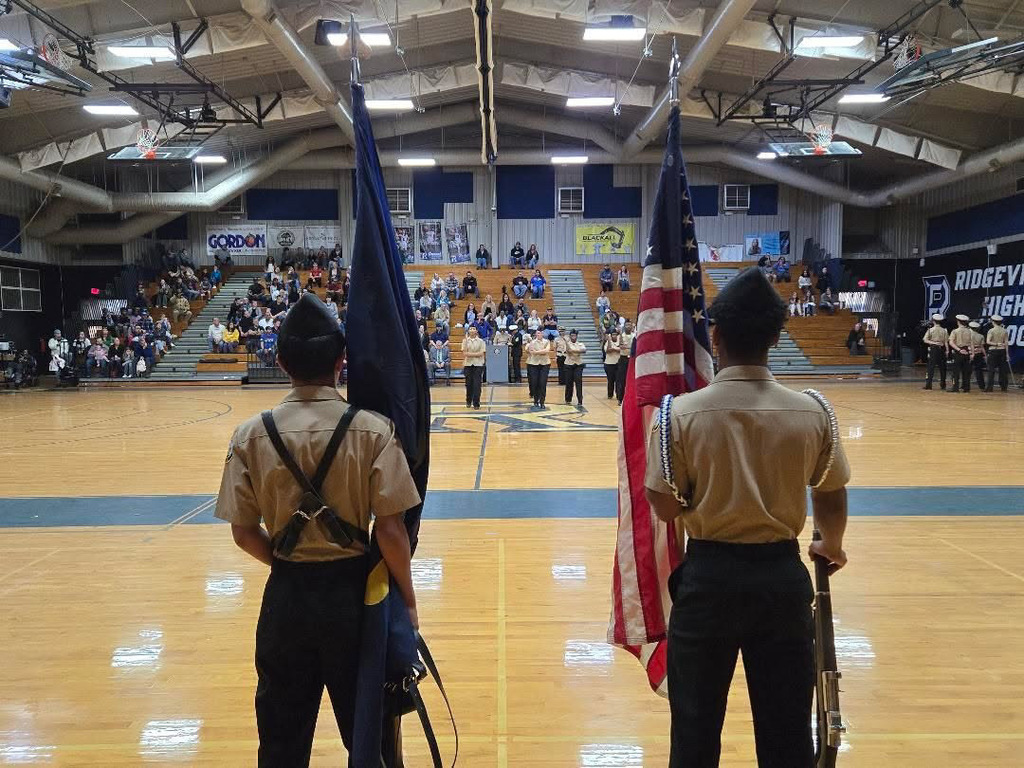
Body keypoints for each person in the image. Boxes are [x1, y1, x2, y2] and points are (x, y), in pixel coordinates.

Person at [644, 267, 850, 768]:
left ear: (715, 336)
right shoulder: (814, 411)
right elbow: (831, 490)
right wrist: (832, 545)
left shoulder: (679, 414)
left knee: (693, 733)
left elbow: (664, 504)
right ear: (776, 338)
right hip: (781, 580)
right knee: (786, 737)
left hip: (708, 580)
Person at [213, 293, 420, 765]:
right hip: (356, 602)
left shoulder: (249, 434)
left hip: (286, 601)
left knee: (282, 743)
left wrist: (286, 562)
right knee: (371, 739)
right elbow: (390, 530)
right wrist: (406, 600)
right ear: (341, 362)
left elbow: (243, 533)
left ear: (281, 361)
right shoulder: (373, 429)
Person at [462, 324, 486, 409]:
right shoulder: (465, 341)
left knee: (477, 385)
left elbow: (481, 353)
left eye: (473, 329)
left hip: (478, 364)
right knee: (468, 384)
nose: (472, 330)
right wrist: (475, 354)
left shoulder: (481, 341)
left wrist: (470, 354)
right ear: (468, 331)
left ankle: (476, 403)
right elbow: (464, 353)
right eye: (470, 329)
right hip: (468, 364)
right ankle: (468, 401)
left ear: (476, 331)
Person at [923, 313, 949, 390]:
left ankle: (928, 384)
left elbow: (925, 340)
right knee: (942, 367)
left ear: (933, 321)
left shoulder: (930, 330)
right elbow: (946, 342)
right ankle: (943, 384)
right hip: (942, 349)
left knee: (930, 367)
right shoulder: (944, 330)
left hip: (933, 349)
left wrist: (934, 342)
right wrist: (947, 351)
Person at [949, 314, 974, 393]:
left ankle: (955, 388)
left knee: (956, 371)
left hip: (958, 352)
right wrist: (972, 353)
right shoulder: (970, 331)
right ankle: (966, 388)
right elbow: (971, 343)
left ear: (958, 322)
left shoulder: (955, 331)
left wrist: (959, 350)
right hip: (967, 351)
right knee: (966, 371)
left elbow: (951, 342)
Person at [526, 330, 551, 408]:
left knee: (543, 383)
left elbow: (546, 351)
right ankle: (536, 400)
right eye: (537, 333)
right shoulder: (532, 342)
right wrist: (530, 345)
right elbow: (528, 350)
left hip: (545, 364)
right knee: (534, 383)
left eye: (539, 333)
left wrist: (536, 352)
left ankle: (542, 401)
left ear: (542, 334)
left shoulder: (547, 341)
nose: (538, 335)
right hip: (534, 364)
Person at [986, 314, 1010, 392]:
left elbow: (988, 341)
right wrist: (1007, 354)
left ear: (993, 322)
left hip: (993, 351)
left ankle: (989, 387)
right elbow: (1006, 343)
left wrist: (996, 344)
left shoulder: (991, 330)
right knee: (1003, 370)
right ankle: (1004, 387)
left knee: (991, 370)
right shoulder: (1005, 331)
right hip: (1002, 351)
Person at [563, 329, 586, 406]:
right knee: (569, 383)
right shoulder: (567, 344)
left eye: (574, 335)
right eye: (572, 335)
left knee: (578, 382)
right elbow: (568, 351)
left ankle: (580, 400)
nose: (573, 337)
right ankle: (568, 399)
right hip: (568, 365)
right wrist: (576, 351)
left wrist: (574, 350)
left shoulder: (580, 343)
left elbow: (584, 350)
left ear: (577, 336)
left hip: (578, 365)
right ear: (570, 336)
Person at [617, 322, 635, 404]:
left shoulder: (634, 336)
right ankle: (620, 399)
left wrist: (627, 347)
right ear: (624, 326)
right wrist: (629, 347)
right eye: (627, 325)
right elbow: (621, 346)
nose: (628, 327)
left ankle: (631, 398)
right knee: (622, 380)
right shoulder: (621, 336)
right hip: (623, 359)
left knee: (632, 380)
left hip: (632, 359)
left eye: (630, 325)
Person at [603, 328, 621, 399]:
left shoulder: (620, 341)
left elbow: (622, 349)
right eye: (613, 335)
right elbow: (608, 350)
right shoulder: (607, 342)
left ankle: (618, 395)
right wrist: (609, 340)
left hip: (618, 363)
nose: (614, 336)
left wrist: (614, 349)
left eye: (615, 335)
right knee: (610, 380)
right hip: (609, 364)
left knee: (618, 380)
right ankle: (610, 395)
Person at [969, 321, 987, 390]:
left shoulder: (968, 334)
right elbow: (982, 347)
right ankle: (982, 386)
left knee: (967, 370)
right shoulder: (981, 336)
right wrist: (985, 355)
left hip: (970, 353)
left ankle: (965, 385)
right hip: (979, 353)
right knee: (979, 370)